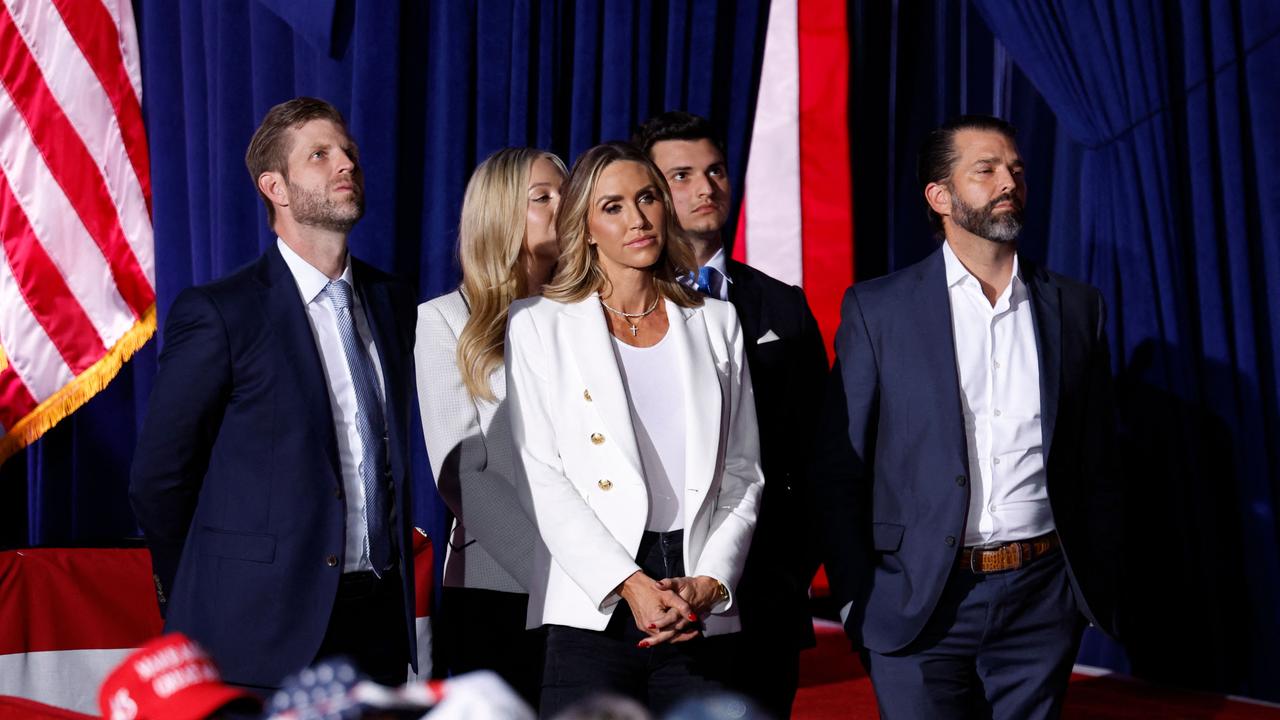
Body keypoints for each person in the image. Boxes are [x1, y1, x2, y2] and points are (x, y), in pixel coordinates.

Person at [812, 115, 1121, 719]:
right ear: (940, 195)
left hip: (1043, 596)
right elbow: (838, 468)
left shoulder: (1077, 307)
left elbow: (1098, 460)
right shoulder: (879, 309)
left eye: (1016, 169)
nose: (1008, 180)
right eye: (986, 170)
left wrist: (1082, 591)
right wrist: (856, 600)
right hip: (917, 598)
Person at [130, 97, 418, 690]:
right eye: (320, 155)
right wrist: (207, 588)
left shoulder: (392, 302)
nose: (346, 164)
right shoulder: (222, 311)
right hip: (259, 629)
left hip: (376, 621)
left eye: (349, 153)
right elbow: (159, 478)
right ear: (275, 187)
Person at [503, 142, 764, 717]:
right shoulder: (539, 325)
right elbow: (541, 477)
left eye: (646, 198)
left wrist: (710, 584)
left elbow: (744, 472)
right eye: (613, 206)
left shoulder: (716, 321)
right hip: (594, 603)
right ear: (587, 227)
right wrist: (631, 584)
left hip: (693, 604)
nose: (638, 219)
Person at [634, 111, 829, 717]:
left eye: (715, 170)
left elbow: (817, 451)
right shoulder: (607, 304)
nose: (706, 187)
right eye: (683, 175)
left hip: (764, 593)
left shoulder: (782, 304)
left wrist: (790, 570)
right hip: (647, 598)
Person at [414, 148, 567, 704]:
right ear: (500, 214)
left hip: (602, 585)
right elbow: (463, 477)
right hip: (502, 584)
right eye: (542, 197)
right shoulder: (444, 320)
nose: (563, 206)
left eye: (565, 192)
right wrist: (562, 575)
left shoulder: (589, 313)